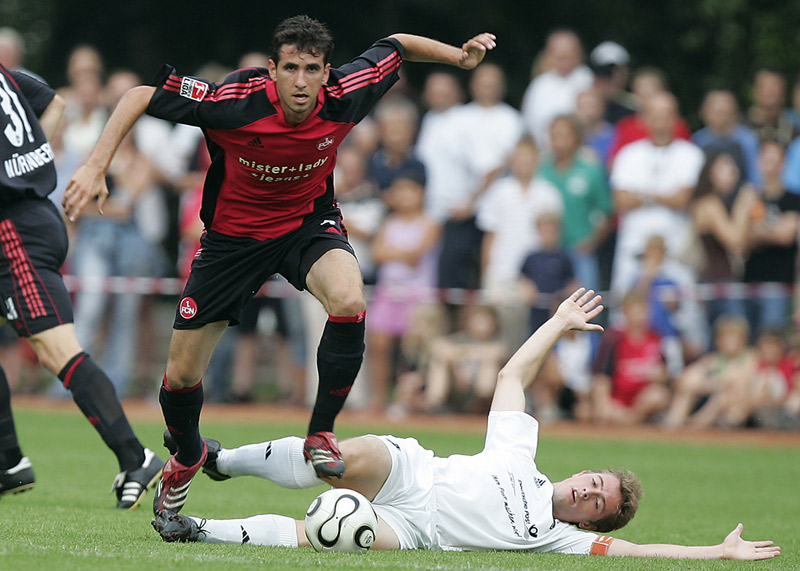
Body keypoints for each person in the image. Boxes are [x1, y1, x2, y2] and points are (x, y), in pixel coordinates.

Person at [63, 15, 497, 513]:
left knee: (351, 298)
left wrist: (459, 58)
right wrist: (95, 166)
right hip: (232, 241)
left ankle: (320, 434)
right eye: (289, 67)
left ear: (326, 72)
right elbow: (140, 94)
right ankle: (186, 455)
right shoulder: (233, 101)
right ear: (271, 69)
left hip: (306, 226)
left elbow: (395, 45)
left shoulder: (345, 94)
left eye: (312, 69)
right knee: (181, 377)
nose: (300, 81)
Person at [152, 289, 780, 562]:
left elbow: (643, 552)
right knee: (341, 456)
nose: (590, 492)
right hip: (413, 472)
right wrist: (558, 323)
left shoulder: (557, 541)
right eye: (596, 482)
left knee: (333, 533)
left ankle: (194, 530)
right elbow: (511, 377)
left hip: (417, 528)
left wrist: (717, 552)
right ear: (585, 473)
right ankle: (219, 461)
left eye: (598, 504)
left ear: (593, 523)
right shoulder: (520, 457)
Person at [0, 63, 163, 507]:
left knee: (58, 350)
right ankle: (7, 460)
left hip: (13, 231)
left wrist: (15, 173)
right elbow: (53, 103)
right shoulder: (5, 73)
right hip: (30, 216)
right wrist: (30, 161)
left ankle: (135, 456)